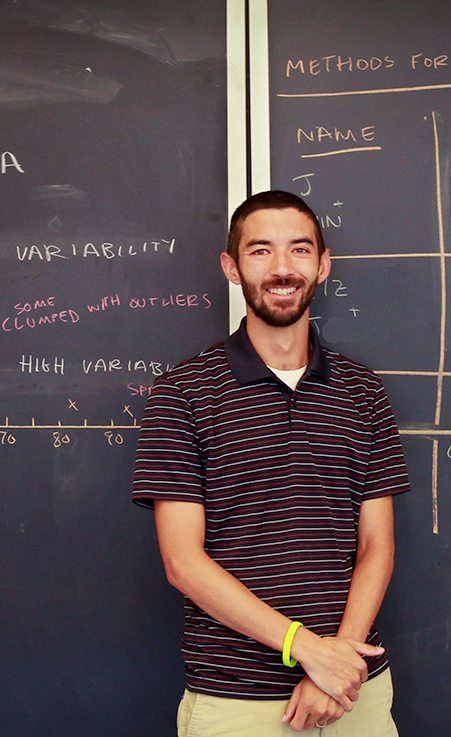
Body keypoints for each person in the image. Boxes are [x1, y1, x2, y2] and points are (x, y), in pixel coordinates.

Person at [133, 190, 410, 736]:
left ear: (323, 265)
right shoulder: (182, 394)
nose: (282, 268)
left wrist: (337, 667)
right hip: (237, 701)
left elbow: (377, 545)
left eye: (299, 250)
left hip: (357, 693)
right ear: (231, 268)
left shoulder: (363, 391)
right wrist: (307, 650)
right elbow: (182, 562)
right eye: (260, 251)